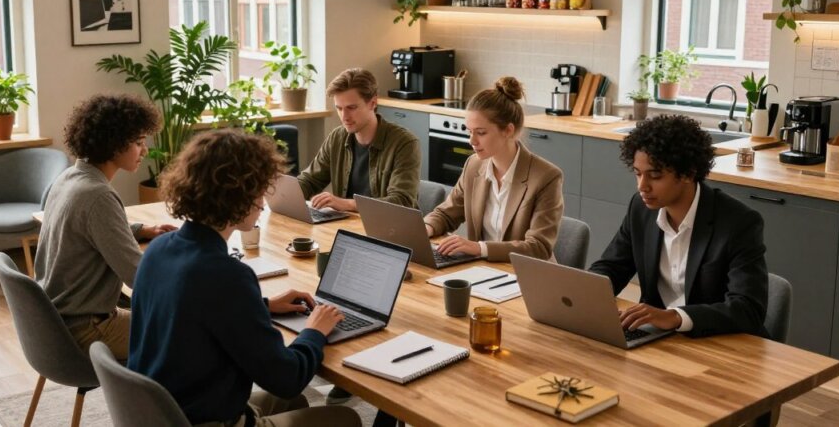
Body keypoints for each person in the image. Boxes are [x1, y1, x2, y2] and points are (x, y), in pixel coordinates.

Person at [129, 129, 361, 427]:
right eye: (260, 190)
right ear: (238, 195)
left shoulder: (159, 248)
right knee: (343, 418)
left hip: (161, 413)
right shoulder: (227, 276)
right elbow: (287, 378)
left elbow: (194, 311)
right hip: (205, 421)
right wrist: (315, 331)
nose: (263, 202)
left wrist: (262, 305)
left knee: (294, 405)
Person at [588, 115, 769, 337]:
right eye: (637, 174)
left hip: (720, 343)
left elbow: (747, 309)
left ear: (688, 173)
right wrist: (585, 297)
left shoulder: (738, 222)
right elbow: (612, 267)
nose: (642, 186)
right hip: (660, 339)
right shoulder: (640, 208)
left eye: (654, 176)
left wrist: (675, 316)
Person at [36, 94, 176, 359]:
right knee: (192, 330)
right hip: (87, 329)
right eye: (138, 143)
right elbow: (138, 277)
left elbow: (82, 226)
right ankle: (165, 400)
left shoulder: (70, 178)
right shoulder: (98, 195)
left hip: (56, 322)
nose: (145, 151)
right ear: (113, 145)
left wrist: (138, 230)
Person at [424, 76, 564, 261]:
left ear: (508, 130)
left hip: (527, 277)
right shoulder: (474, 165)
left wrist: (479, 248)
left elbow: (538, 247)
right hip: (483, 271)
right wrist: (426, 228)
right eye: (469, 131)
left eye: (481, 133)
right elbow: (446, 213)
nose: (472, 141)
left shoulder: (546, 177)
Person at [297, 68, 419, 211]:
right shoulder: (337, 137)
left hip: (388, 230)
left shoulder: (404, 143)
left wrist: (346, 204)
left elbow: (401, 201)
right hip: (346, 226)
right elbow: (309, 181)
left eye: (352, 108)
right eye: (339, 108)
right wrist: (283, 194)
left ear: (373, 103)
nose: (344, 116)